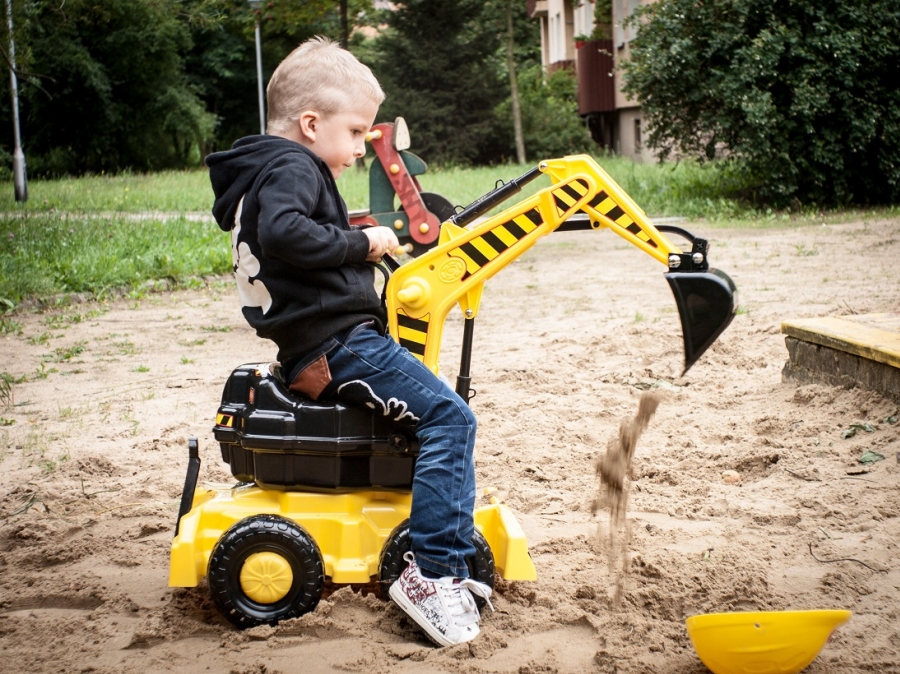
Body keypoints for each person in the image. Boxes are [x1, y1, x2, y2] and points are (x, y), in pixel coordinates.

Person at [205, 36, 492, 647]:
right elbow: (285, 232)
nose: (363, 149)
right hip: (338, 344)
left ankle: (442, 559)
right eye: (358, 132)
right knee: (450, 419)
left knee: (437, 413)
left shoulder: (270, 172)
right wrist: (364, 244)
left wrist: (354, 231)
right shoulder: (291, 166)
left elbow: (291, 233)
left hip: (321, 343)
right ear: (311, 124)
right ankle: (433, 575)